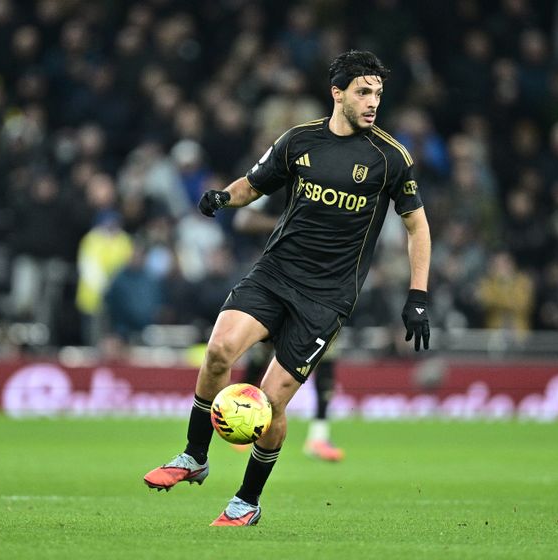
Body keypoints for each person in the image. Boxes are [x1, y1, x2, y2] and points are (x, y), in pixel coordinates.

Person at [143, 50, 431, 526]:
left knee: (271, 400)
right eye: (363, 92)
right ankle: (194, 455)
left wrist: (417, 297)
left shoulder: (390, 158)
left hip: (326, 298)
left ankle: (246, 501)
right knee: (218, 351)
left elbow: (417, 227)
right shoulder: (299, 141)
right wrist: (224, 197)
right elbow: (254, 184)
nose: (372, 102)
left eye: (378, 93)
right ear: (337, 93)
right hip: (274, 274)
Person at [233, 189, 343, 462]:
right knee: (261, 354)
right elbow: (243, 221)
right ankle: (239, 419)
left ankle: (319, 436)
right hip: (277, 281)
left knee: (327, 354)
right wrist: (289, 222)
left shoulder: (328, 186)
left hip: (319, 285)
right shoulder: (277, 183)